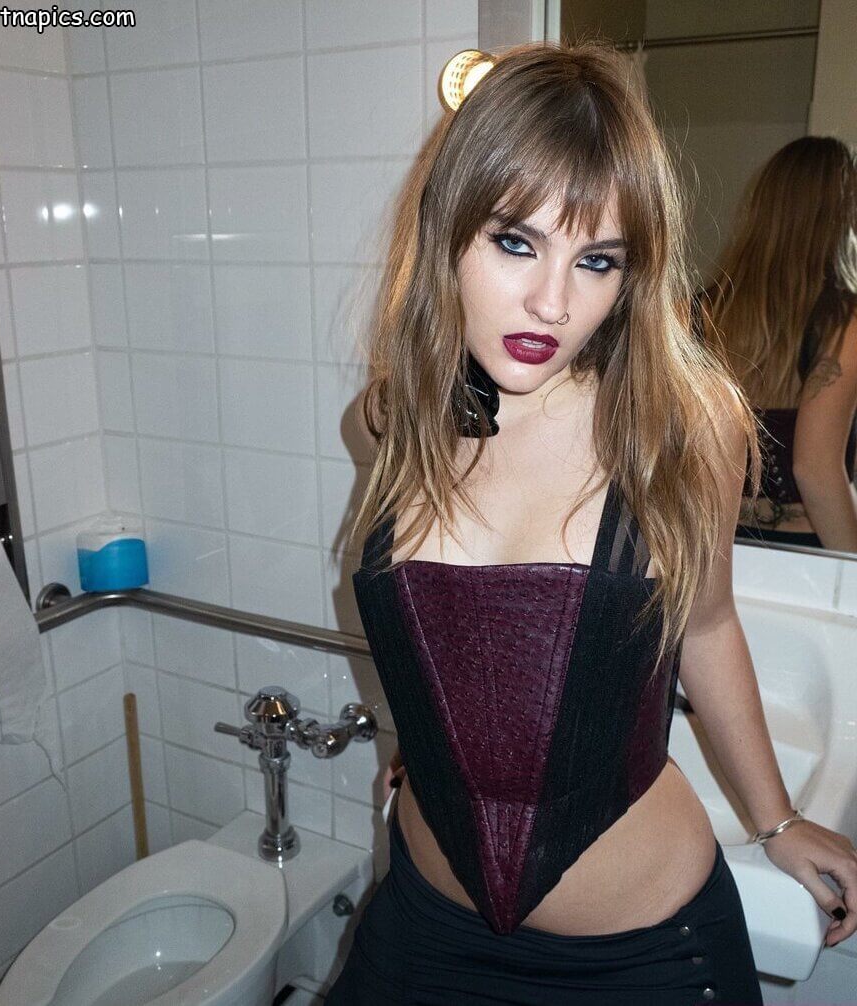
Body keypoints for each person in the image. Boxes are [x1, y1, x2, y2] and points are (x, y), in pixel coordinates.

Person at [324, 41, 857, 1005]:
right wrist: (438, 737)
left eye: (597, 260)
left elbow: (706, 628)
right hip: (422, 928)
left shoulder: (677, 432)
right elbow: (429, 624)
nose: (553, 302)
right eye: (515, 242)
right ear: (447, 226)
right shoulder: (391, 418)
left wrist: (777, 823)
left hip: (636, 955)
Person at [701, 136, 857, 552]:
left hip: (710, 547)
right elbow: (815, 470)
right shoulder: (844, 323)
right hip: (803, 556)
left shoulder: (696, 312)